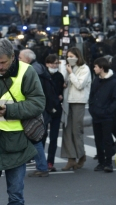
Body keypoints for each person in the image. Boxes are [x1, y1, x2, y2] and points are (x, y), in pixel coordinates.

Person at [0, 38, 45, 201]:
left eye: (3, 62)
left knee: (15, 195)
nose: (0, 67)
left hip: (17, 142)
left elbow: (38, 103)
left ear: (12, 57)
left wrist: (9, 110)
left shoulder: (26, 71)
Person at [19, 48, 59, 177]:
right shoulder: (39, 67)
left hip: (35, 109)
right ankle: (40, 165)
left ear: (28, 59)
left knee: (34, 139)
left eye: (20, 58)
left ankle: (41, 166)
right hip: (41, 108)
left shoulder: (32, 70)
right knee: (35, 138)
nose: (18, 60)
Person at [89, 56, 116, 173]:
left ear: (102, 68)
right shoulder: (96, 80)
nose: (94, 68)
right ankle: (101, 162)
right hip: (96, 115)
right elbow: (92, 95)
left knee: (107, 139)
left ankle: (108, 163)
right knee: (98, 140)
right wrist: (92, 109)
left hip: (107, 116)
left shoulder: (113, 82)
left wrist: (107, 111)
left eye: (95, 66)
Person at [61, 47, 91, 170]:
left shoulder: (85, 69)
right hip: (67, 100)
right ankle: (71, 158)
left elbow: (79, 85)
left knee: (76, 130)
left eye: (72, 56)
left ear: (78, 57)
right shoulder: (67, 67)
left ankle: (81, 154)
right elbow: (65, 82)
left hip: (78, 101)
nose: (70, 58)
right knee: (66, 129)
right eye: (68, 56)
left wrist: (71, 73)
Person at [44, 54, 64, 172]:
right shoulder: (43, 76)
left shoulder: (59, 76)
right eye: (52, 63)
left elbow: (60, 91)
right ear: (47, 64)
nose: (55, 65)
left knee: (54, 137)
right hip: (46, 108)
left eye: (56, 63)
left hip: (56, 108)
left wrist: (60, 95)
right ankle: (41, 161)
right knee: (42, 136)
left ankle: (50, 162)